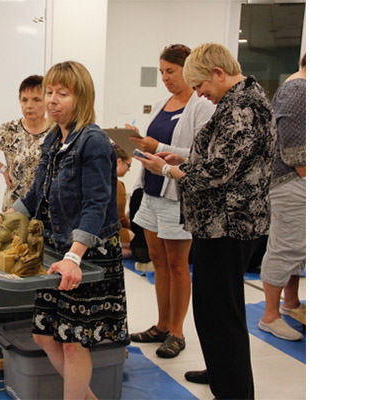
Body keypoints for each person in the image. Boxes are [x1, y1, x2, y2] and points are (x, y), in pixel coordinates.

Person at [0, 61, 128, 400]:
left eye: (62, 93)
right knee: (46, 335)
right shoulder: (53, 139)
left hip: (88, 258)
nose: (51, 100)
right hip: (60, 252)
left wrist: (75, 257)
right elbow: (34, 196)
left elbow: (96, 205)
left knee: (74, 343)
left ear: (82, 97)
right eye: (49, 92)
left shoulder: (94, 143)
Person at [136, 43, 275, 399]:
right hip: (221, 222)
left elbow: (220, 170)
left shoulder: (243, 107)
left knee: (219, 312)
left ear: (218, 73)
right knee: (217, 309)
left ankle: (232, 389)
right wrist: (182, 161)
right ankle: (222, 372)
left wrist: (168, 169)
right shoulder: (237, 101)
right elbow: (217, 159)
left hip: (229, 224)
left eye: (201, 86)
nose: (200, 94)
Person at [126, 44, 215, 359]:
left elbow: (202, 157)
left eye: (171, 71)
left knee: (178, 265)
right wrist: (136, 144)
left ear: (187, 70)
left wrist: (158, 145)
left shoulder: (201, 106)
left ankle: (177, 331)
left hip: (177, 194)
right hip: (152, 189)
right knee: (157, 261)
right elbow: (156, 149)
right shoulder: (163, 103)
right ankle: (162, 324)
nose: (164, 77)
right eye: (161, 71)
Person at [257, 54, 306, 341]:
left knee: (295, 246)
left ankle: (289, 303)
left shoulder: (297, 88)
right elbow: (292, 147)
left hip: (293, 179)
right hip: (291, 180)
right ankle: (270, 315)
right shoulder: (299, 89)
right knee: (286, 247)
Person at [0, 75, 48, 211]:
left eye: (36, 100)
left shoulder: (56, 131)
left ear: (47, 101)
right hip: (14, 206)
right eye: (24, 100)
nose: (29, 106)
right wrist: (3, 169)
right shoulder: (10, 130)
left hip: (45, 208)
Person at [113, 144, 135, 259]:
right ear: (119, 161)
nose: (129, 170)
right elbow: (121, 218)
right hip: (108, 231)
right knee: (131, 236)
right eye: (128, 165)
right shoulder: (118, 185)